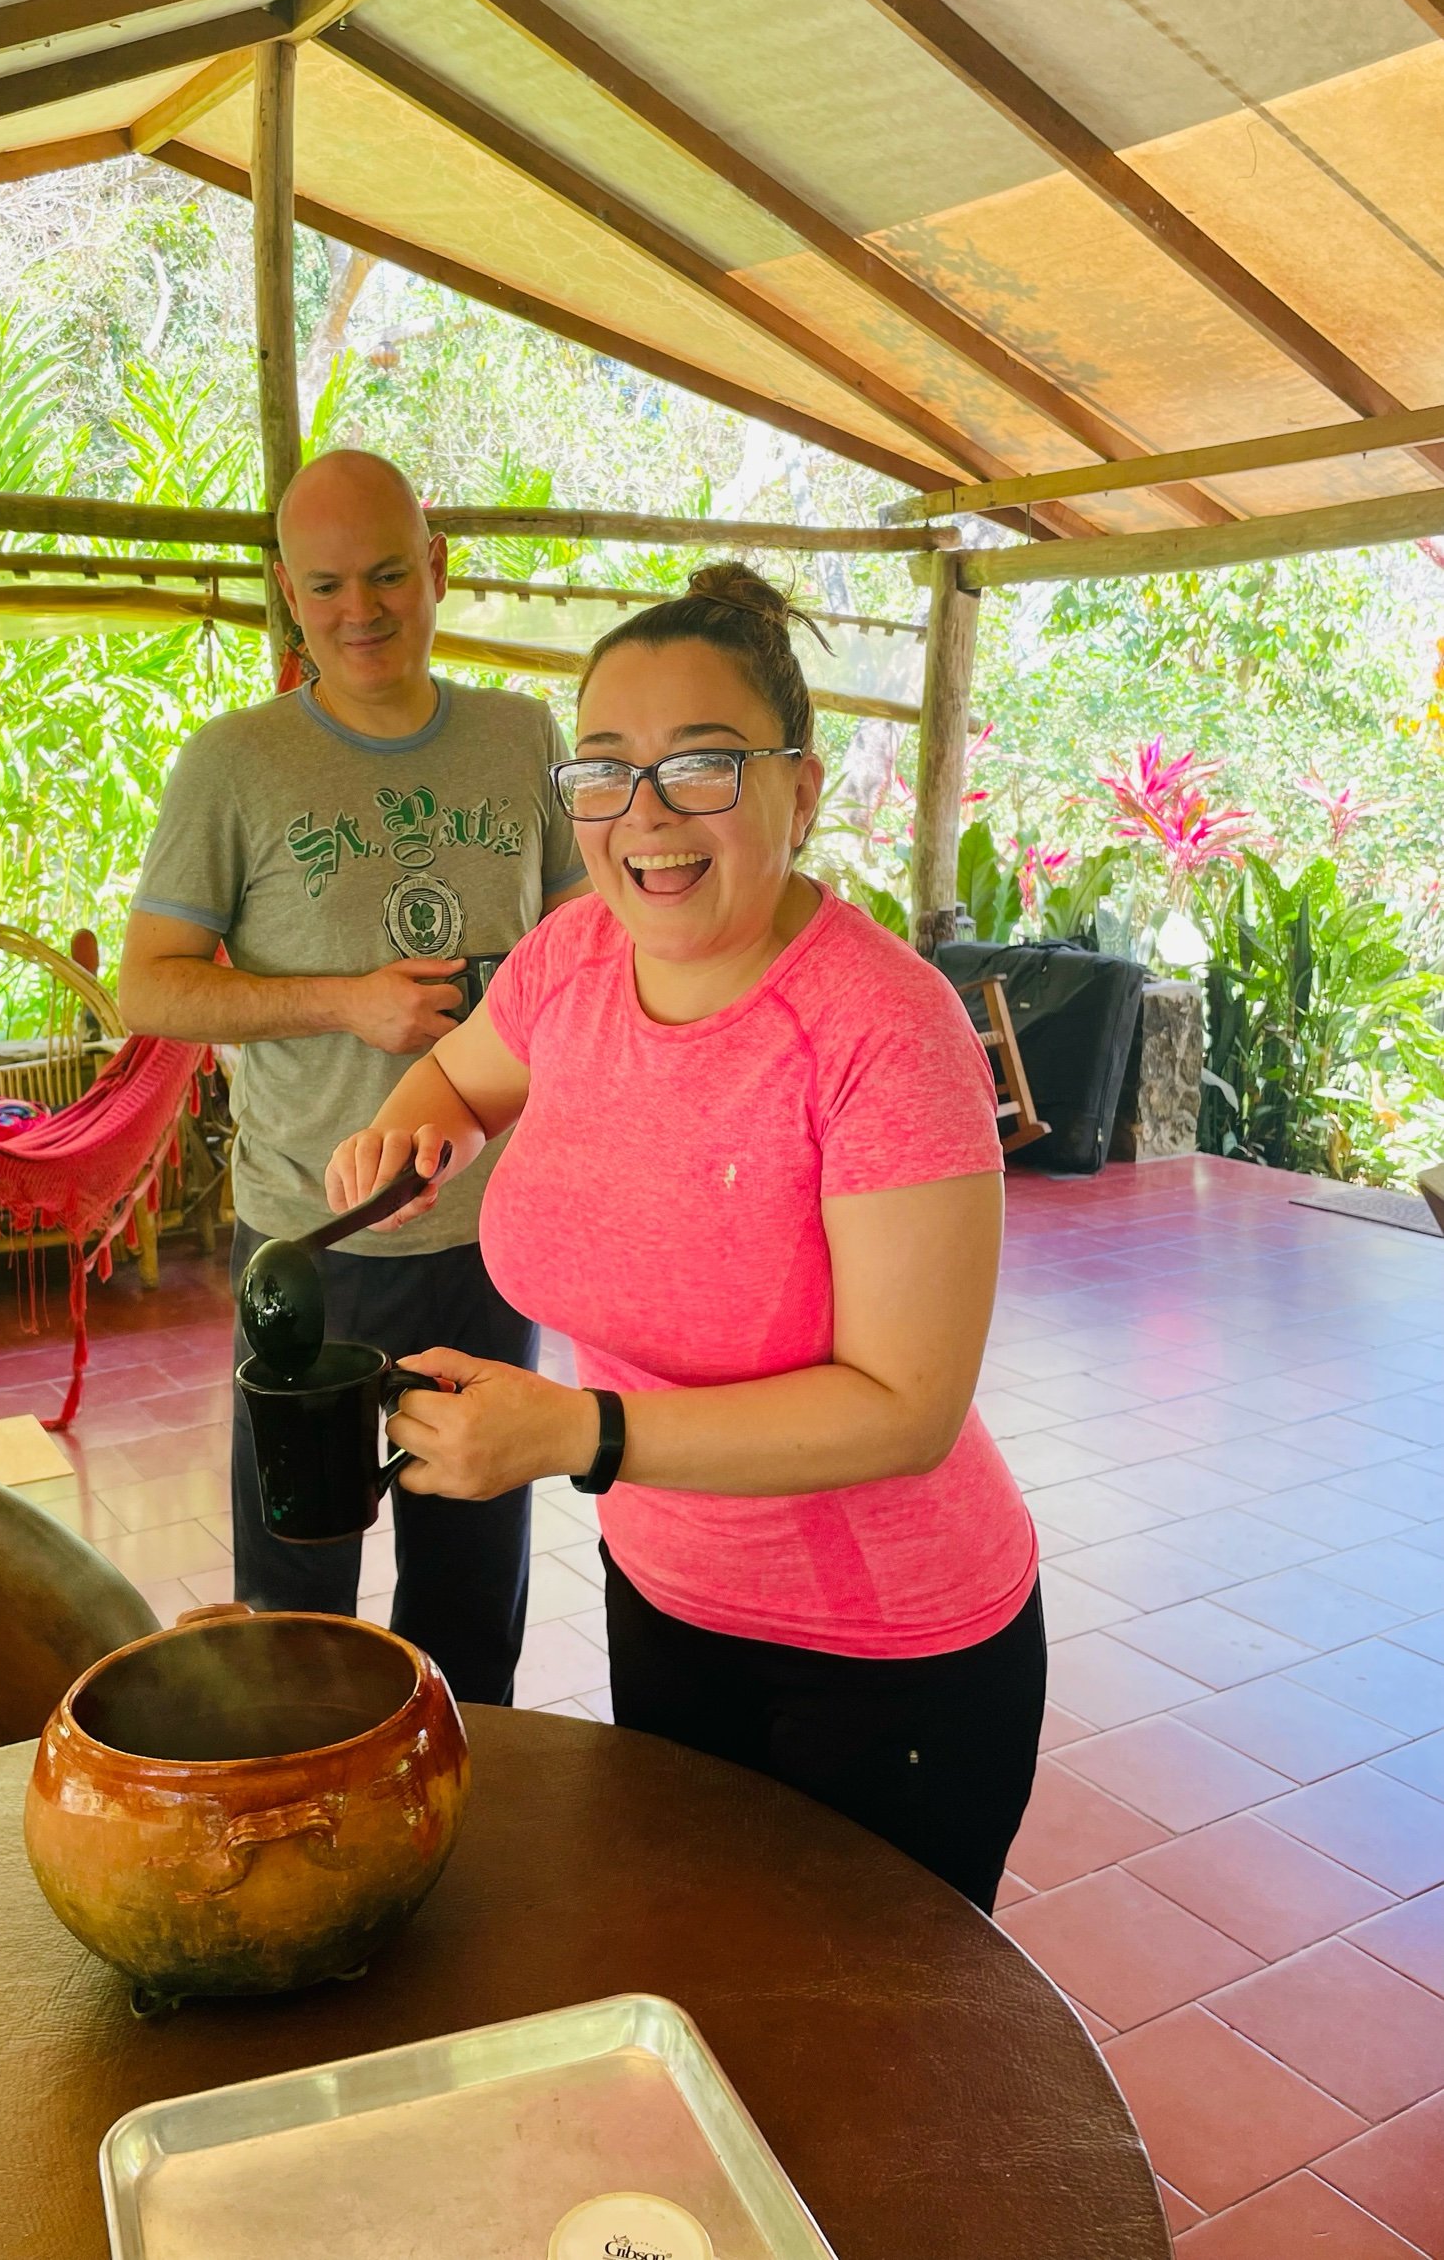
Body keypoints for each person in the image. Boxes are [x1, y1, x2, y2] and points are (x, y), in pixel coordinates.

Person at [325, 564, 1043, 1910]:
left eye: (700, 766)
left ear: (800, 790)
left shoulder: (882, 1033)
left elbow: (905, 1409)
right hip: (663, 1588)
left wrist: (574, 1434)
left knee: (867, 2066)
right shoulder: (570, 957)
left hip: (882, 1649)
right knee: (700, 1982)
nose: (641, 815)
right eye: (601, 769)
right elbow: (463, 1081)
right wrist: (408, 1132)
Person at [118, 448, 584, 1705]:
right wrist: (347, 998)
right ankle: (307, 1814)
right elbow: (150, 985)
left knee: (473, 1588)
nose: (360, 610)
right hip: (309, 1245)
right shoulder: (236, 762)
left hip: (485, 1238)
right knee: (298, 1593)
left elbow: (588, 958)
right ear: (286, 590)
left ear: (438, 570)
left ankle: (467, 1806)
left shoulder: (523, 737)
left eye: (388, 574)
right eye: (325, 585)